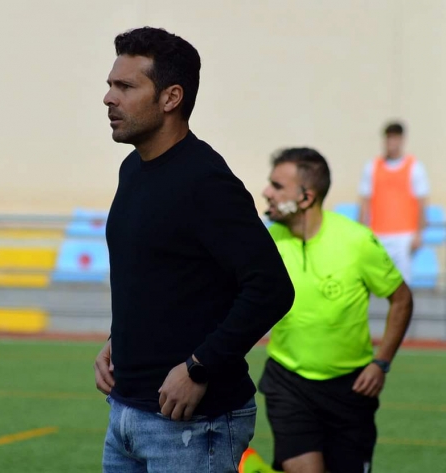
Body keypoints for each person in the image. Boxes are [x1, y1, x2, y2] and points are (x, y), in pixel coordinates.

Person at [94, 27, 295, 473]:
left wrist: (199, 368)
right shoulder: (134, 170)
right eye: (110, 84)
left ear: (171, 98)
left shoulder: (206, 182)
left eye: (125, 86)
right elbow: (161, 276)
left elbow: (271, 289)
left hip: (193, 426)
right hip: (126, 413)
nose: (109, 97)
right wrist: (117, 341)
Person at [241, 148, 413, 473]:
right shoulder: (265, 241)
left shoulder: (357, 241)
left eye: (277, 186)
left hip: (351, 389)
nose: (266, 193)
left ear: (306, 197)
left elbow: (402, 298)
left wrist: (382, 362)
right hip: (287, 381)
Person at [358, 122, 430, 283]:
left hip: (405, 236)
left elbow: (421, 202)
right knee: (376, 282)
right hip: (378, 234)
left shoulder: (414, 167)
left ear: (402, 140)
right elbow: (365, 201)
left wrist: (419, 233)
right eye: (389, 138)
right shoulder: (372, 166)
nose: (392, 143)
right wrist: (363, 231)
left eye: (395, 138)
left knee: (403, 284)